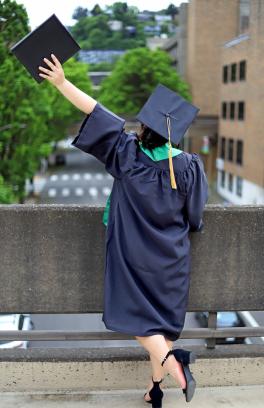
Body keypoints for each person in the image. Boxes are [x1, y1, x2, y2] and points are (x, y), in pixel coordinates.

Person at [38, 54, 209, 406]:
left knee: (135, 318)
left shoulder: (127, 154)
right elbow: (194, 217)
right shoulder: (190, 166)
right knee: (161, 324)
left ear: (144, 127)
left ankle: (171, 362)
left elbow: (96, 112)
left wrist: (61, 82)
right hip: (172, 259)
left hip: (132, 256)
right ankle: (156, 390)